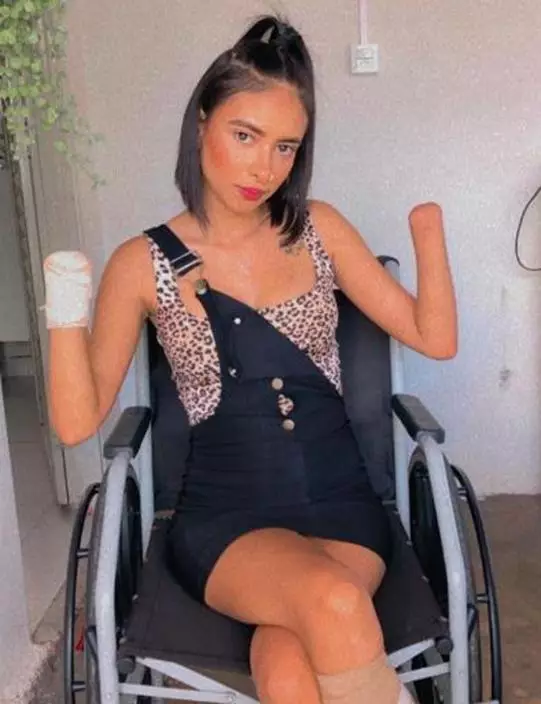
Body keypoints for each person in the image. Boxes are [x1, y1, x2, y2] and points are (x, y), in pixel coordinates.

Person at [43, 15, 457, 704]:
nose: (264, 168)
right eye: (245, 135)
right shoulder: (141, 263)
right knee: (332, 601)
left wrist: (428, 232)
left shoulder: (319, 229)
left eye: (285, 146)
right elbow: (76, 422)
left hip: (341, 506)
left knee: (289, 669)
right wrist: (63, 306)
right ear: (202, 122)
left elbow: (432, 336)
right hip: (225, 518)